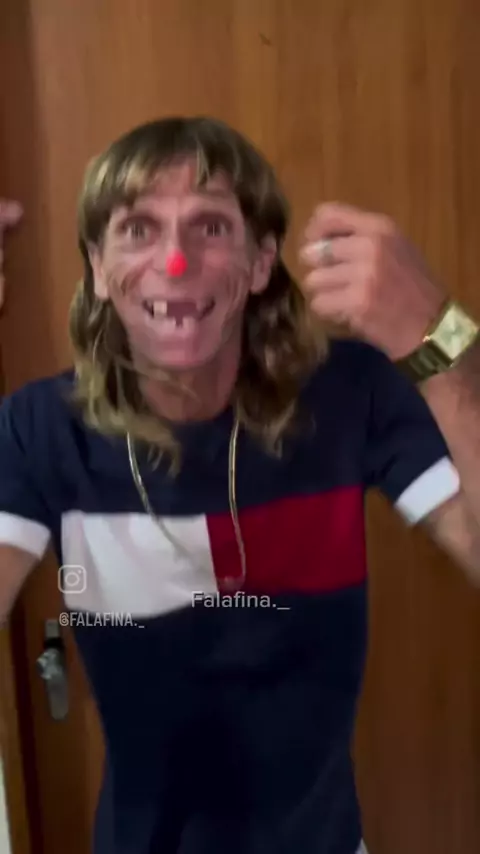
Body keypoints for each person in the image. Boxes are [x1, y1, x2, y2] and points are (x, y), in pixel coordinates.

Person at [1, 116, 480, 854]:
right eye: (137, 229)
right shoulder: (39, 430)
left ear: (261, 263)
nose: (175, 262)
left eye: (211, 227)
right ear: (97, 266)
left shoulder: (353, 393)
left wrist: (439, 338)